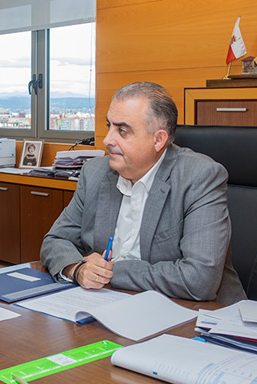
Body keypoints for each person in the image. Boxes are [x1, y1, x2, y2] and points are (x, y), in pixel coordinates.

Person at [41, 82, 246, 305]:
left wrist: (111, 272)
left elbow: (199, 280)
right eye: (108, 126)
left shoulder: (199, 177)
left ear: (158, 140)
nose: (107, 140)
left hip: (196, 315)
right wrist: (78, 268)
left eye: (122, 130)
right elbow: (56, 240)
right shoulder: (95, 172)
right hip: (111, 305)